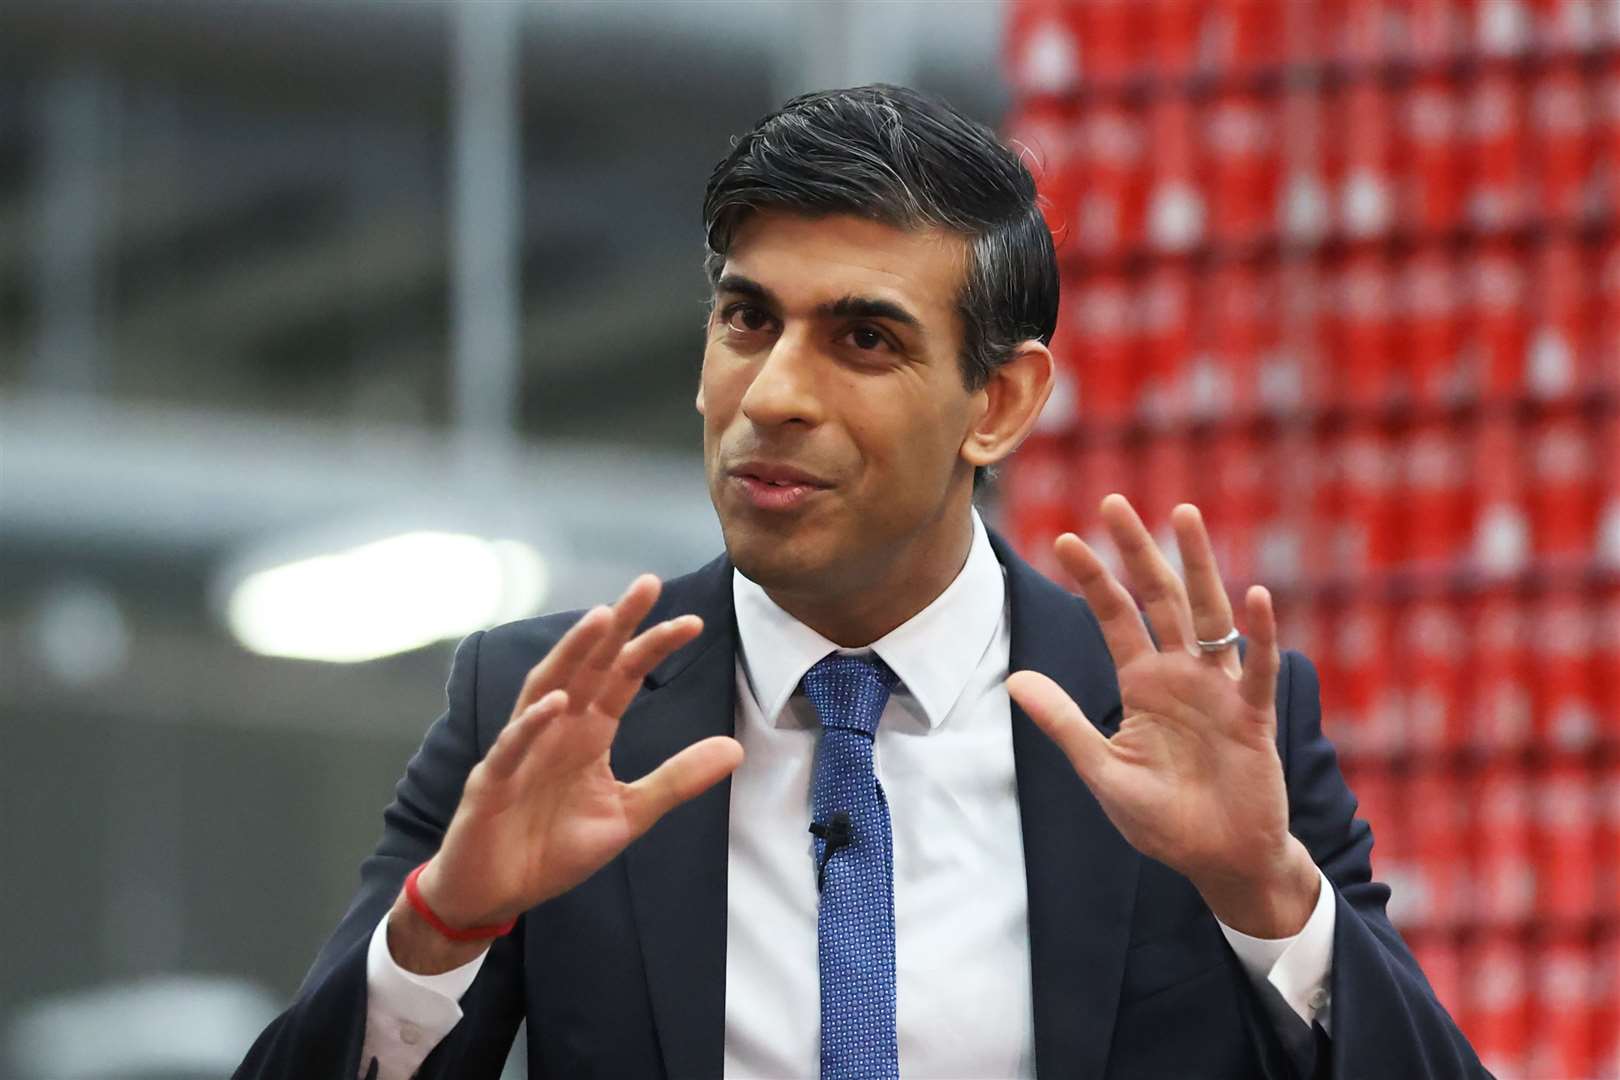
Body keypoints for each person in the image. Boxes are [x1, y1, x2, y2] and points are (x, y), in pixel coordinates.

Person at [235, 84, 1484, 1079]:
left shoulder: (1178, 728)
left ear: (997, 403)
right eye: (746, 321)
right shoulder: (550, 708)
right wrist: (442, 931)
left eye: (864, 339)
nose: (773, 394)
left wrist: (1265, 900)